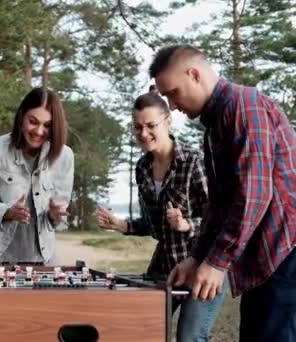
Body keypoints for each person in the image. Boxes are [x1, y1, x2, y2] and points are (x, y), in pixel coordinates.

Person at [149, 44, 296, 342]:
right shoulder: (216, 126)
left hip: (286, 253)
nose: (173, 106)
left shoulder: (245, 106)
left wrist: (217, 263)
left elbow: (253, 196)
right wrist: (196, 257)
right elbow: (219, 206)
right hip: (262, 259)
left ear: (194, 75)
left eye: (173, 92)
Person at [96, 87, 225, 342]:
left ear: (167, 121)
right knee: (142, 330)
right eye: (137, 127)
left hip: (204, 264)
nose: (143, 133)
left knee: (189, 337)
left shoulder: (193, 160)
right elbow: (152, 224)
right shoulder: (142, 167)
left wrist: (188, 225)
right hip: (165, 265)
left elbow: (219, 216)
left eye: (150, 125)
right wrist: (121, 225)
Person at [0, 87, 74, 265]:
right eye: (33, 121)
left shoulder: (64, 157)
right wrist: (8, 213)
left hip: (42, 254)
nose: (39, 131)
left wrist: (55, 214)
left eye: (47, 125)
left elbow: (60, 216)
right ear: (21, 118)